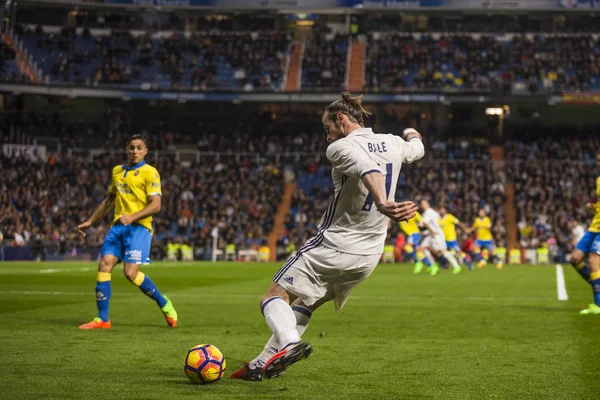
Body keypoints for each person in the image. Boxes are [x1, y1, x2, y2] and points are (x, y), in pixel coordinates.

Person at [232, 91, 424, 381]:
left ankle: (289, 344)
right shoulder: (393, 143)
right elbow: (417, 148)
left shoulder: (340, 148)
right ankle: (260, 365)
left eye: (328, 128)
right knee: (306, 303)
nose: (327, 136)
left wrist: (383, 201)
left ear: (342, 119)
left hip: (335, 245)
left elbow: (366, 167)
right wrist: (411, 131)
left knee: (273, 298)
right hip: (369, 257)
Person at [77, 134, 178, 329]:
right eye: (131, 147)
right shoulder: (117, 171)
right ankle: (103, 319)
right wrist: (91, 221)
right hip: (118, 227)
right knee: (104, 265)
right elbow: (109, 201)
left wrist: (133, 216)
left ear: (146, 151)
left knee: (130, 273)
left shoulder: (150, 172)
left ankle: (163, 302)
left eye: (139, 148)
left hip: (139, 228)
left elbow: (156, 205)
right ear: (126, 149)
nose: (135, 151)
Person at [570, 151, 600, 315]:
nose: (599, 162)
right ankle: (598, 285)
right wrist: (593, 207)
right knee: (575, 258)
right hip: (594, 226)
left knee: (594, 259)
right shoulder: (599, 181)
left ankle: (599, 304)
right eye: (598, 160)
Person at [419, 200, 462, 275]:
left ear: (428, 204)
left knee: (442, 252)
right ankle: (433, 265)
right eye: (422, 204)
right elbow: (432, 223)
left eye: (424, 203)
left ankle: (456, 266)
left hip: (437, 235)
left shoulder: (429, 212)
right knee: (422, 248)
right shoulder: (430, 212)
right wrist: (427, 232)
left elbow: (424, 223)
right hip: (432, 234)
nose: (423, 205)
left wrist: (431, 231)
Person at [439, 206, 473, 270]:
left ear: (445, 211)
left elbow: (458, 223)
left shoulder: (449, 217)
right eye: (440, 210)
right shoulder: (438, 219)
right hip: (443, 239)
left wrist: (465, 229)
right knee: (442, 252)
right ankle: (444, 265)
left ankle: (469, 264)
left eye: (443, 210)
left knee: (459, 252)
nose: (442, 211)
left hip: (451, 239)